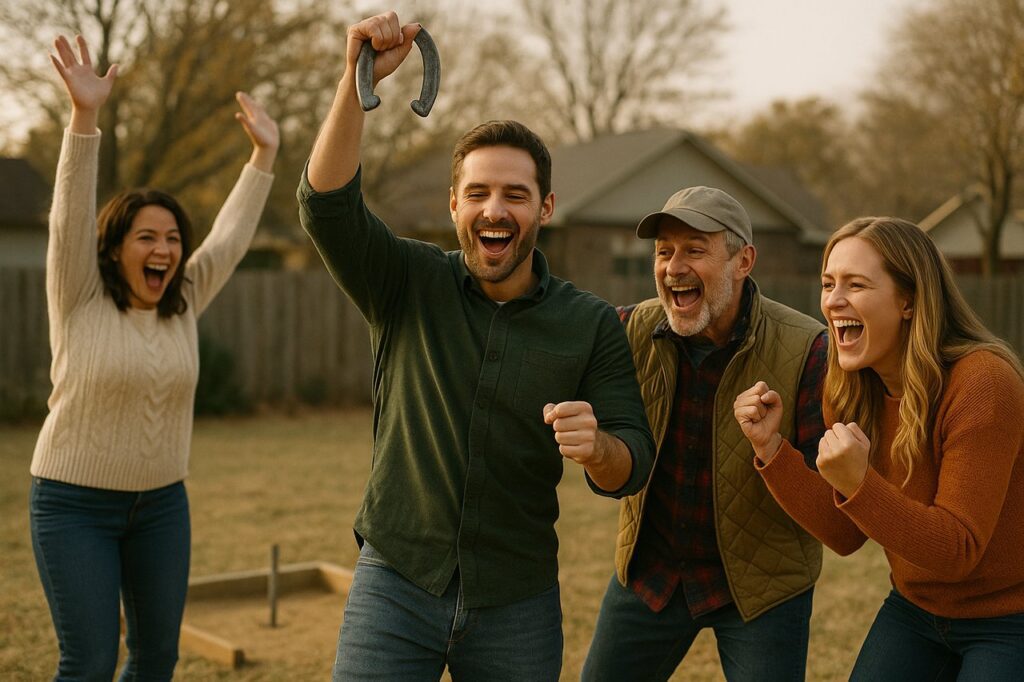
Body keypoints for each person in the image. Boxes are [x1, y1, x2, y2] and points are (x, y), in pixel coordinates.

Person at [296, 11, 655, 681]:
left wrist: (599, 447)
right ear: (456, 205)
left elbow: (632, 461)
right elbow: (325, 206)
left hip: (517, 600)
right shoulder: (406, 281)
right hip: (396, 580)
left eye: (515, 195)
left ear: (545, 209)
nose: (496, 209)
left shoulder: (589, 323)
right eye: (479, 193)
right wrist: (356, 81)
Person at [29, 34, 278, 680]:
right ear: (116, 249)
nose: (164, 249)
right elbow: (68, 219)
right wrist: (85, 119)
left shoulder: (182, 300)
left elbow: (227, 239)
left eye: (172, 238)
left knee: (156, 659)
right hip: (73, 505)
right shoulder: (79, 293)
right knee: (87, 663)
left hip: (162, 507)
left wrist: (264, 156)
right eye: (147, 237)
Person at [734, 216, 1024, 680]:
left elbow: (958, 549)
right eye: (828, 283)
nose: (833, 300)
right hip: (916, 609)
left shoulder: (982, 384)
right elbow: (847, 534)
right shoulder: (848, 388)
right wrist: (771, 450)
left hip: (1009, 617)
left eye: (856, 284)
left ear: (908, 300)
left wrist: (859, 482)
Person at [583, 186, 827, 681]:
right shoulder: (627, 330)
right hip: (652, 571)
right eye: (664, 251)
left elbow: (827, 504)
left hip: (762, 584)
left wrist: (771, 447)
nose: (674, 267)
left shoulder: (808, 349)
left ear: (743, 261)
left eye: (695, 250)